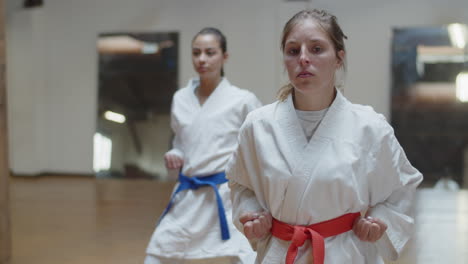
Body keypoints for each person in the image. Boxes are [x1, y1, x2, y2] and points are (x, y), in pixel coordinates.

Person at [226, 9, 423, 264]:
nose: (304, 59)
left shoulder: (370, 127)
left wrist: (379, 221)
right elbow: (241, 183)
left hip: (344, 253)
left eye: (316, 49)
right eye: (293, 50)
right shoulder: (258, 125)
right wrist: (252, 214)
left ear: (339, 58)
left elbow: (401, 187)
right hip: (281, 252)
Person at [144, 27, 261, 264]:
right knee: (157, 252)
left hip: (227, 196)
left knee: (247, 255)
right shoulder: (181, 98)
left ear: (224, 57)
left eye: (210, 52)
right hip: (189, 194)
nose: (202, 59)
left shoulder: (243, 100)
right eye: (196, 53)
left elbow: (261, 143)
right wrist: (175, 153)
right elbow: (181, 142)